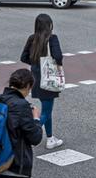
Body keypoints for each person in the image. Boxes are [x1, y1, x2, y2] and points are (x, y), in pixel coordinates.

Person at [20, 13, 64, 149]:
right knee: (46, 111)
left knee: (47, 108)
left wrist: (35, 64)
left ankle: (50, 138)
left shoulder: (32, 38)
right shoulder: (52, 38)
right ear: (49, 25)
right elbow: (58, 56)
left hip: (36, 77)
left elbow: (23, 57)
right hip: (49, 77)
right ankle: (30, 134)